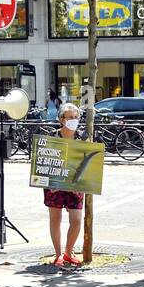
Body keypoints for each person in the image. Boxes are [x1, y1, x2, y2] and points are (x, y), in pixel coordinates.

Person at [44, 102, 85, 268]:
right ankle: (58, 254)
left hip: (76, 185)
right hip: (55, 184)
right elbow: (43, 160)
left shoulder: (82, 137)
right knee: (55, 217)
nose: (74, 120)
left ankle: (68, 252)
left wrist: (81, 183)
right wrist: (51, 183)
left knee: (76, 219)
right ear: (61, 119)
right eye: (70, 117)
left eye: (76, 117)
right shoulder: (52, 137)